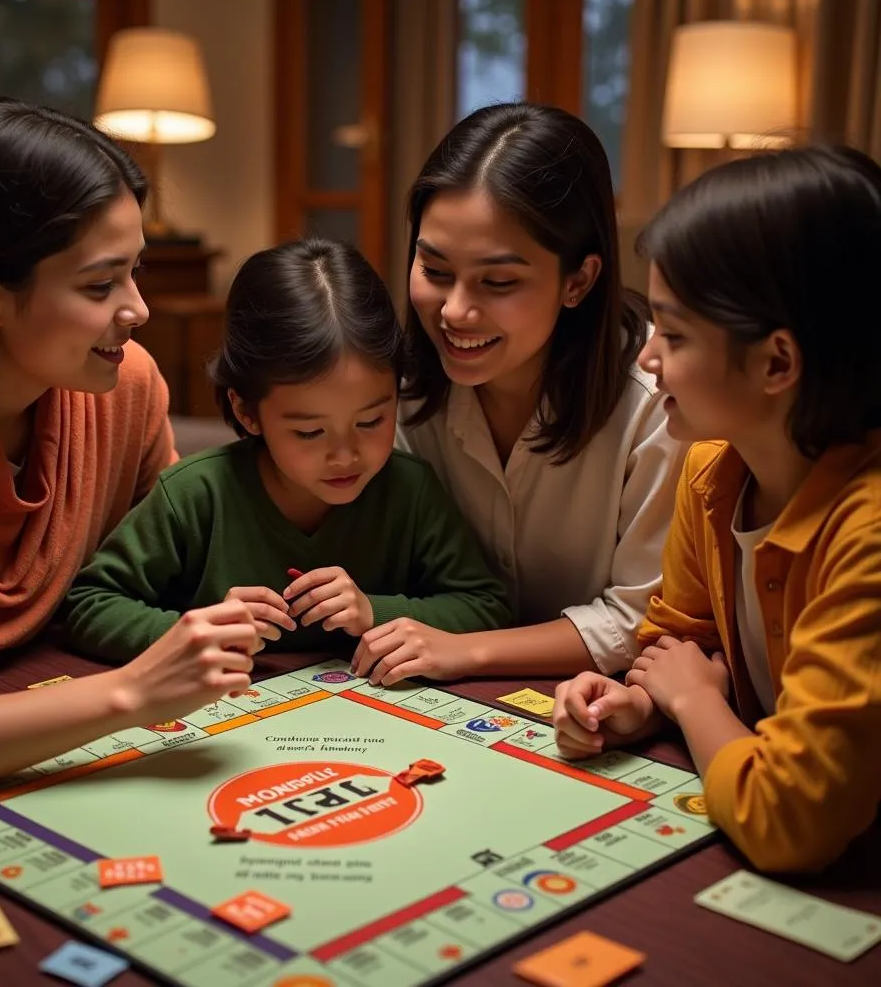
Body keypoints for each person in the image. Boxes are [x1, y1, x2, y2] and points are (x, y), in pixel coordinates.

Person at [0, 98, 261, 793]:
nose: (137, 309)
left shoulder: (126, 388)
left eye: (135, 271)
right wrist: (130, 695)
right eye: (101, 284)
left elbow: (166, 579)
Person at [552, 145, 881, 873]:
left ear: (776, 364)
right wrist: (635, 702)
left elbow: (793, 820)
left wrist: (696, 703)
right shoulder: (715, 470)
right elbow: (677, 645)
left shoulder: (868, 534)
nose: (647, 359)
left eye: (673, 335)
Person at [352, 102, 685, 685]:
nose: (455, 311)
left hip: (595, 700)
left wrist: (469, 649)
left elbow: (640, 620)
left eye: (498, 281)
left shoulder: (658, 398)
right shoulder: (394, 388)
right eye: (433, 271)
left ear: (578, 280)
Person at [65, 238, 510, 660]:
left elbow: (487, 607)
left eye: (371, 421)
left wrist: (376, 611)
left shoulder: (410, 491)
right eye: (310, 433)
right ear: (247, 411)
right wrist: (196, 633)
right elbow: (89, 605)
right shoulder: (195, 496)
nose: (345, 455)